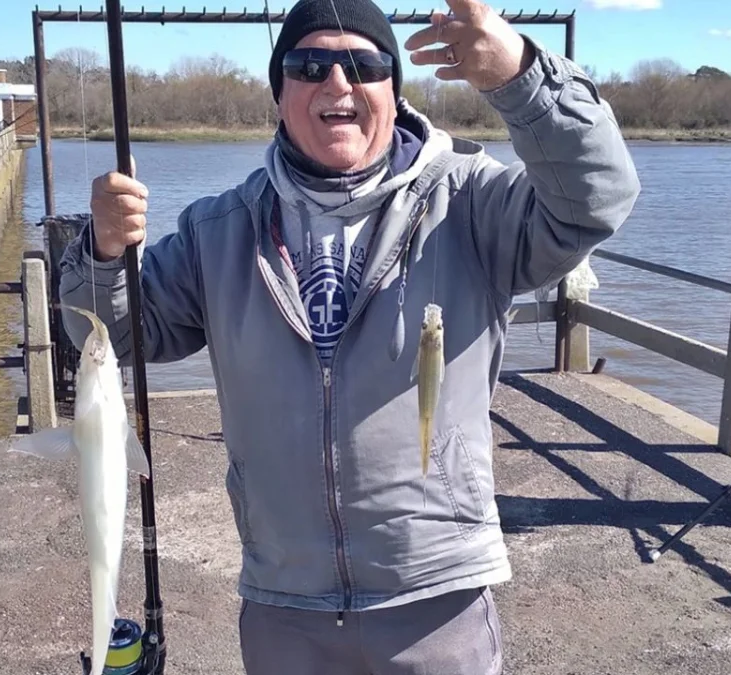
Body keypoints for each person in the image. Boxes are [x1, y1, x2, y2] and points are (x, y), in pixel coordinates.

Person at [59, 0, 639, 671]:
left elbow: (597, 198)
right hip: (285, 603)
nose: (338, 83)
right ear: (280, 92)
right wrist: (103, 251)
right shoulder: (217, 231)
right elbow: (112, 333)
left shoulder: (472, 202)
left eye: (364, 64)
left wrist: (522, 78)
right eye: (310, 65)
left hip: (437, 599)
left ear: (394, 87)